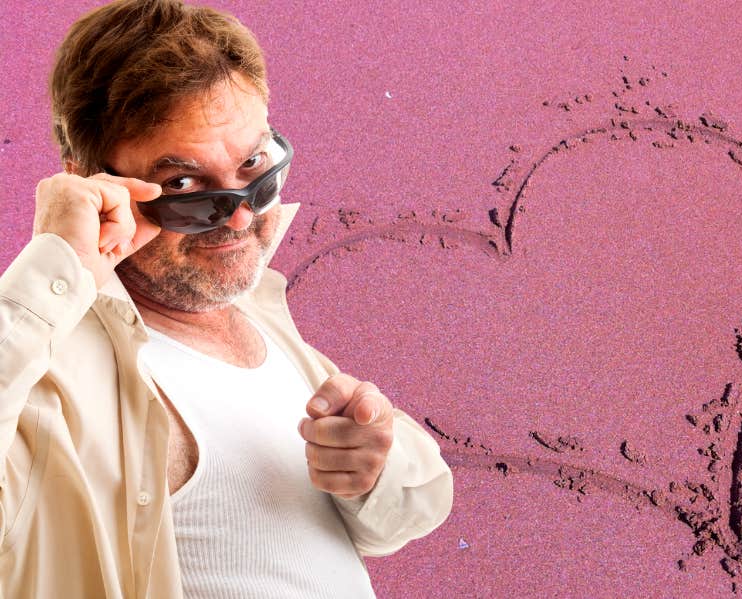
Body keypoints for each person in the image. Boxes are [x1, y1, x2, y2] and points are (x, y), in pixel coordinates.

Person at [0, 0, 453, 596]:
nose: (240, 220)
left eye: (254, 165)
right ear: (90, 181)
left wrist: (373, 468)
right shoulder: (49, 370)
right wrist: (58, 259)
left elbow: (407, 516)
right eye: (183, 185)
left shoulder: (258, 316)